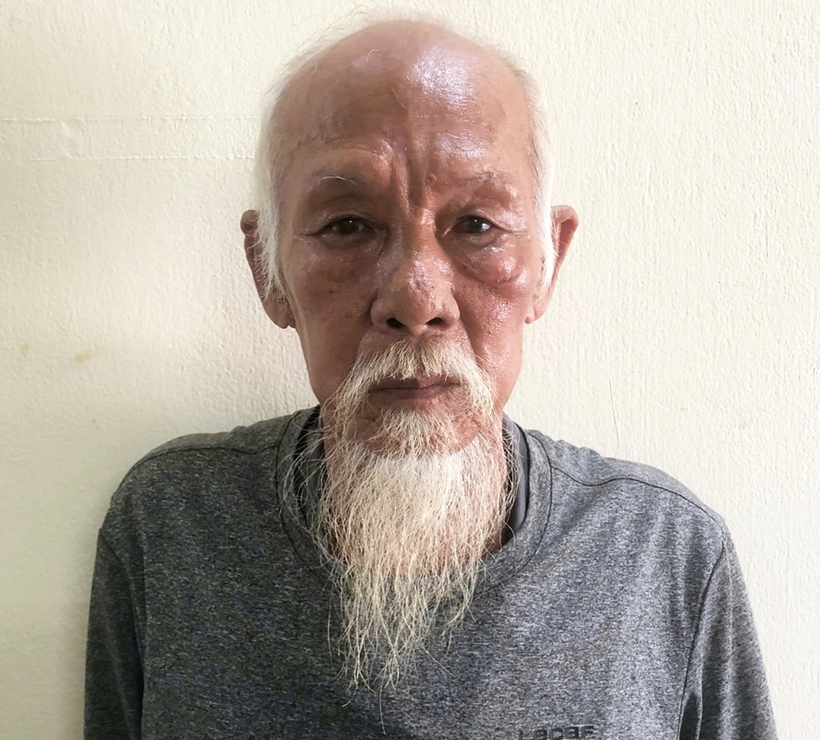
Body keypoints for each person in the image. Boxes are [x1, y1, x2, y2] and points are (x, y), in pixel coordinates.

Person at [84, 19, 776, 739]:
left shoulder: (662, 552)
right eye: (347, 226)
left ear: (548, 262)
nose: (416, 299)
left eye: (476, 224)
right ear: (268, 272)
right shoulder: (175, 527)